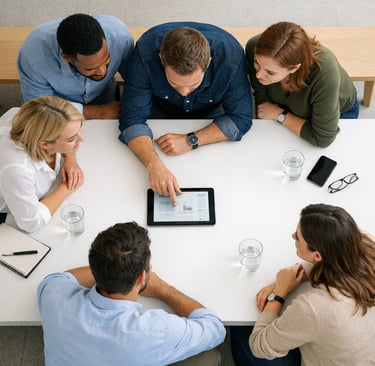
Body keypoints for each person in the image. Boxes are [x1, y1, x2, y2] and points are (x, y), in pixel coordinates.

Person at [37, 221, 226, 366]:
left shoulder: (54, 296)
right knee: (210, 356)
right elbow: (215, 328)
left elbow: (56, 278)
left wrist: (112, 266)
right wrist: (163, 290)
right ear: (141, 278)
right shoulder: (157, 330)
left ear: (94, 267)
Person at [119, 22, 253, 206]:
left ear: (208, 62)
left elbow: (241, 118)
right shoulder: (144, 54)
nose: (184, 92)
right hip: (159, 111)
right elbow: (132, 118)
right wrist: (154, 166)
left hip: (211, 114)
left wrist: (190, 140)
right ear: (161, 59)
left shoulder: (230, 58)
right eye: (174, 84)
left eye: (193, 84)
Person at [230, 203, 375, 365]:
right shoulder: (366, 248)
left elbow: (259, 345)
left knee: (240, 330)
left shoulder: (314, 307)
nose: (293, 236)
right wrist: (291, 273)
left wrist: (279, 293)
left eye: (298, 237)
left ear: (318, 256)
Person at [246, 21, 359, 147]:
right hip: (285, 110)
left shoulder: (324, 73)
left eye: (270, 72)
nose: (258, 75)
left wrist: (279, 114)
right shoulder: (254, 47)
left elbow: (322, 139)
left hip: (334, 114)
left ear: (294, 68)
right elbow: (262, 98)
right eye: (256, 63)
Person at [17, 13, 133, 120]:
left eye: (107, 60)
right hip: (58, 108)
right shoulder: (35, 56)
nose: (103, 72)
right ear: (66, 57)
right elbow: (38, 107)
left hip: (105, 97)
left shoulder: (121, 38)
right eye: (90, 68)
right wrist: (95, 112)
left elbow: (135, 78)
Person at [0, 96, 84, 233]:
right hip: (8, 213)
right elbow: (31, 223)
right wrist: (66, 187)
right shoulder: (17, 169)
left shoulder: (33, 116)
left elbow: (71, 120)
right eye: (72, 138)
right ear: (44, 144)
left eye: (80, 129)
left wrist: (70, 158)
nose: (82, 138)